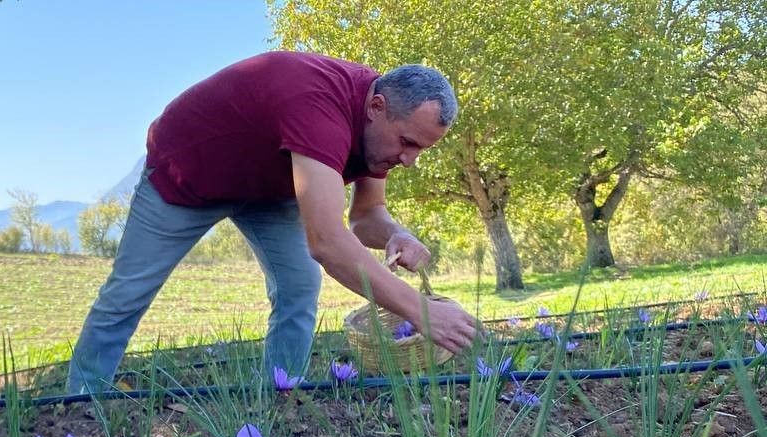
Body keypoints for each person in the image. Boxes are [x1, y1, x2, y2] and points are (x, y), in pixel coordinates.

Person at [66, 51, 479, 394]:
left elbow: (365, 218)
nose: (409, 160)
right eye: (407, 143)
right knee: (128, 291)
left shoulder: (384, 129)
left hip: (269, 188)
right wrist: (420, 311)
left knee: (299, 285)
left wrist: (395, 233)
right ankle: (80, 400)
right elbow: (328, 242)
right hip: (187, 176)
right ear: (376, 107)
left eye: (419, 150)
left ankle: (283, 392)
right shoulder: (319, 105)